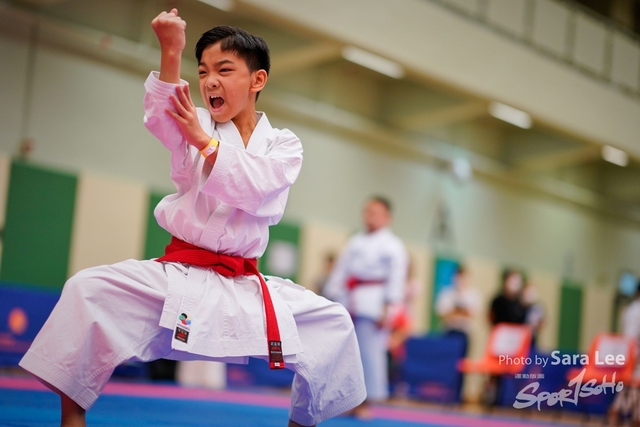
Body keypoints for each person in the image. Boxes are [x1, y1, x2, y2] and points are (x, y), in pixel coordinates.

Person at [19, 9, 366, 427]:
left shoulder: (283, 144)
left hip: (243, 283)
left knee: (333, 323)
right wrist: (171, 51)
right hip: (180, 275)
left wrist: (203, 142)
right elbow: (160, 117)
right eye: (202, 72)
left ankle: (301, 423)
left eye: (224, 69)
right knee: (87, 289)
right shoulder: (195, 120)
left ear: (257, 80)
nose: (210, 81)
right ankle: (71, 419)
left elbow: (259, 186)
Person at [323, 196, 409, 419]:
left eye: (375, 213)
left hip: (374, 305)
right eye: (367, 212)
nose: (369, 217)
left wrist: (388, 310)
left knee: (369, 356)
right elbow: (340, 272)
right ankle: (347, 400)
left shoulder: (393, 246)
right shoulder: (355, 241)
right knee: (346, 356)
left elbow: (396, 281)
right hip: (349, 300)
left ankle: (365, 402)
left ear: (387, 217)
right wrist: (331, 296)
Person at [435, 265, 481, 402]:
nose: (460, 280)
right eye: (458, 277)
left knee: (461, 365)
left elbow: (470, 313)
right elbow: (443, 313)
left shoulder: (472, 295)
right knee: (446, 364)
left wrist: (456, 311)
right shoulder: (446, 293)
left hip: (463, 334)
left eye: (463, 277)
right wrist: (458, 311)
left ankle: (457, 396)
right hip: (449, 332)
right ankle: (444, 394)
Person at [608, 281, 640, 426]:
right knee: (632, 388)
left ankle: (619, 414)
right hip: (634, 358)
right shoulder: (635, 311)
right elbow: (630, 338)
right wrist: (633, 358)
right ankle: (617, 415)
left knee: (630, 390)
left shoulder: (630, 309)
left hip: (631, 357)